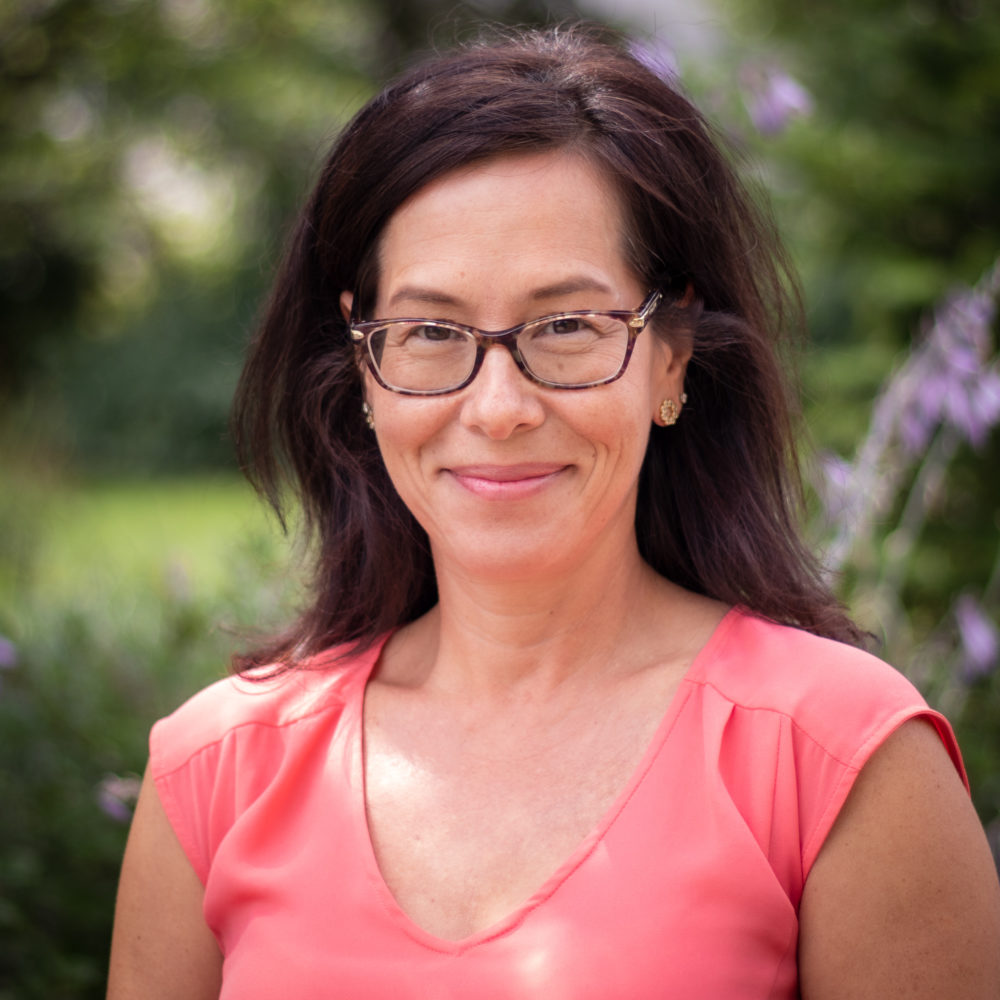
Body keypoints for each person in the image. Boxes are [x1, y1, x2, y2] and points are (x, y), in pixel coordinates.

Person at [107, 24, 1000, 1000]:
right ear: (364, 364)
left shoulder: (837, 758)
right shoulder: (214, 772)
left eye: (567, 325)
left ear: (671, 358)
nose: (498, 408)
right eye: (430, 330)